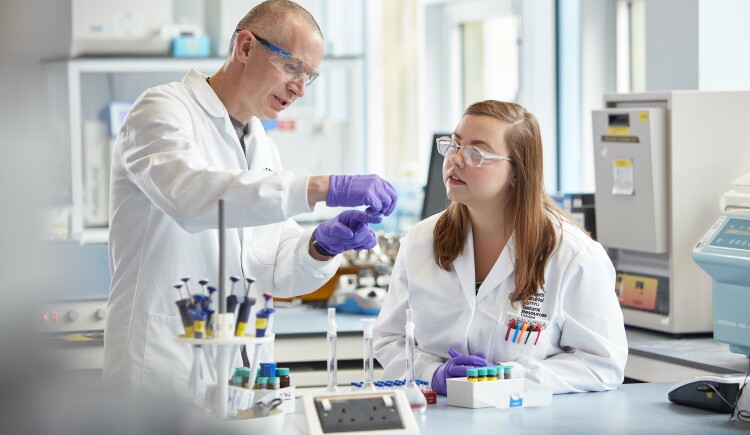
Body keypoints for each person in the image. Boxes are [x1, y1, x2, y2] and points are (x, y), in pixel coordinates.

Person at [104, 0, 397, 401]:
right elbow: (193, 196)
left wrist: (318, 246)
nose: (298, 88)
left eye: (308, 77)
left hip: (244, 379)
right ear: (245, 48)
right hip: (160, 373)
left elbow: (273, 270)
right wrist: (319, 187)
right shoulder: (161, 111)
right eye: (293, 67)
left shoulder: (261, 147)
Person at [373, 100, 627, 395]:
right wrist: (433, 374)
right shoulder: (421, 241)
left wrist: (506, 378)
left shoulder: (573, 255)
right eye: (454, 145)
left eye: (476, 153)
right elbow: (389, 340)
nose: (455, 160)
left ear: (517, 173)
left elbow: (602, 364)